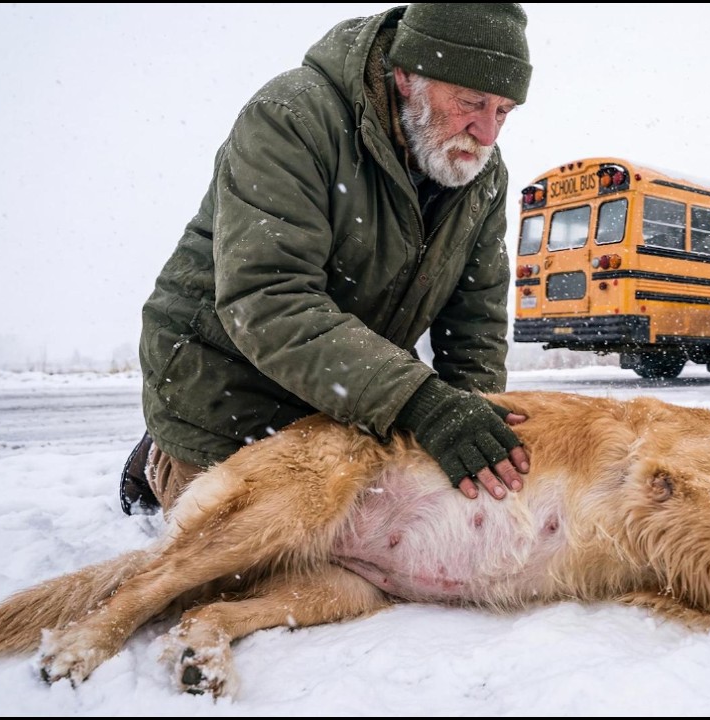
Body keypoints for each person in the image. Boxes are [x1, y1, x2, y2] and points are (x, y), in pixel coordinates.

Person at [119, 3, 533, 516]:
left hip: (349, 403)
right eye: (471, 102)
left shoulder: (482, 176)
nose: (487, 133)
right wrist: (419, 402)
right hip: (228, 401)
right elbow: (267, 299)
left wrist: (473, 422)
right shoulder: (292, 118)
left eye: (504, 112)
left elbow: (476, 325)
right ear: (407, 75)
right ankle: (162, 455)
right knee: (263, 568)